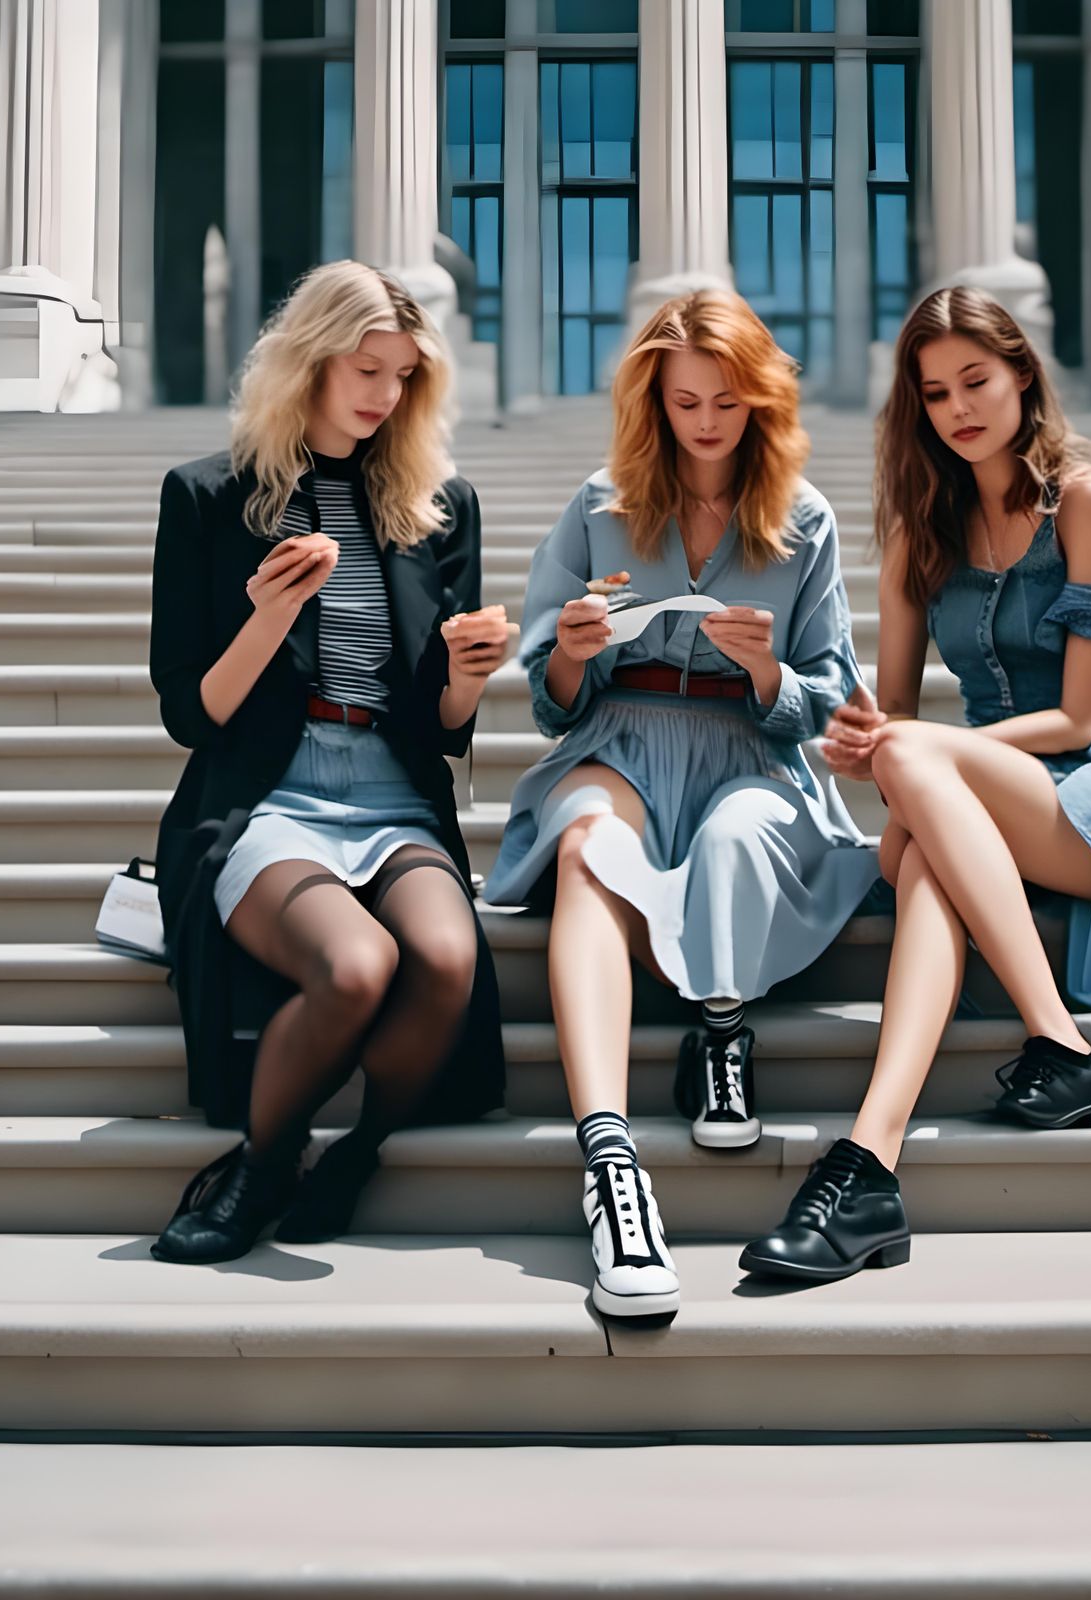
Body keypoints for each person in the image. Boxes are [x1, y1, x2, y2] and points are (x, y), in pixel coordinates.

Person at [740, 286, 1091, 1284]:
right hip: (980, 802)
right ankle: (869, 1160)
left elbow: (1080, 719)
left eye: (975, 380)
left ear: (1021, 377)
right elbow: (898, 711)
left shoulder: (1080, 500)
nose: (957, 407)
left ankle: (1057, 1040)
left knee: (919, 778)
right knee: (914, 845)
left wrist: (912, 750)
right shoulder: (921, 527)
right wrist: (859, 733)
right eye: (933, 392)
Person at [483, 289, 878, 1318]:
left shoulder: (805, 519)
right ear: (652, 401)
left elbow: (829, 696)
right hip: (621, 737)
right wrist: (570, 657)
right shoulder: (599, 504)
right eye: (683, 402)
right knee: (583, 842)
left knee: (740, 832)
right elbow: (548, 707)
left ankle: (721, 1028)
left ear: (759, 402)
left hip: (750, 750)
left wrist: (766, 676)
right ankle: (608, 1159)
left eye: (726, 401)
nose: (704, 422)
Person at [148, 260, 513, 1265]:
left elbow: (439, 726)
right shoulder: (209, 497)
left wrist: (473, 676)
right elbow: (193, 712)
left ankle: (357, 1151)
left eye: (401, 376)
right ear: (308, 360)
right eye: (364, 368)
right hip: (269, 792)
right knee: (356, 966)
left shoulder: (438, 507)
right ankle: (261, 1164)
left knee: (443, 958)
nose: (382, 395)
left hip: (393, 793)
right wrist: (269, 617)